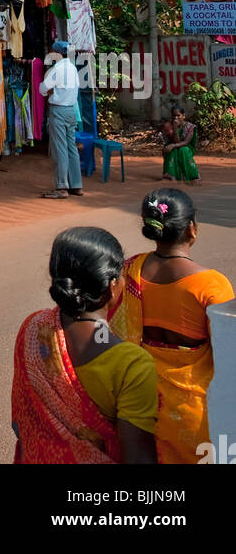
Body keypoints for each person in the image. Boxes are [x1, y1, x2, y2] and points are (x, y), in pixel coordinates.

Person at [12, 227, 158, 464]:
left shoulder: (34, 329)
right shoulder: (132, 364)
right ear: (112, 286)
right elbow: (139, 457)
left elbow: (21, 423)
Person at [108, 189, 235, 464]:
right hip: (195, 414)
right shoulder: (212, 285)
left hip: (140, 403)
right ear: (191, 229)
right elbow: (229, 358)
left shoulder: (131, 270)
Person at [40, 40, 83, 199]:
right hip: (71, 110)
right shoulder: (72, 68)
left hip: (58, 110)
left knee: (60, 148)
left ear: (58, 53)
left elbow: (43, 88)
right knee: (71, 147)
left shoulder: (57, 69)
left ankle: (62, 186)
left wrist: (49, 92)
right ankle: (76, 185)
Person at [158, 106, 200, 183]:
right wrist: (174, 128)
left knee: (183, 150)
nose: (175, 118)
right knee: (171, 151)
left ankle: (192, 176)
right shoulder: (168, 126)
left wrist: (174, 143)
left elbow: (186, 142)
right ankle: (170, 175)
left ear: (183, 116)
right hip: (172, 145)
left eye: (178, 115)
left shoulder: (190, 127)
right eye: (174, 116)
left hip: (186, 147)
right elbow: (174, 141)